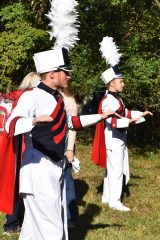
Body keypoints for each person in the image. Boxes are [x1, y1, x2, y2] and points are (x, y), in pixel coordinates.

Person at [5, 47, 116, 240]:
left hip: (54, 166)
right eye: (65, 72)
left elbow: (70, 122)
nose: (69, 77)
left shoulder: (56, 97)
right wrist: (32, 121)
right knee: (52, 229)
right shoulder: (32, 96)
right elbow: (10, 125)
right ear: (51, 74)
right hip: (38, 169)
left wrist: (101, 116)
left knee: (36, 231)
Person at [91, 65, 153, 212]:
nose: (123, 84)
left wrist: (140, 114)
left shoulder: (115, 98)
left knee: (112, 170)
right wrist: (128, 121)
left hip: (117, 138)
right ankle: (115, 201)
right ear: (112, 82)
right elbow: (109, 120)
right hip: (113, 140)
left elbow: (124, 112)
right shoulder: (108, 100)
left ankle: (107, 197)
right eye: (121, 81)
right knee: (116, 170)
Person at [3, 72, 41, 235]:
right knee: (22, 185)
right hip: (22, 147)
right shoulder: (28, 99)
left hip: (8, 148)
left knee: (12, 185)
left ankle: (12, 223)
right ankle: (16, 224)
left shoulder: (9, 98)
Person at [60, 86, 78, 228]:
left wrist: (70, 149)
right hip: (52, 144)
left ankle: (70, 217)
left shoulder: (68, 99)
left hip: (65, 145)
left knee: (67, 180)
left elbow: (72, 126)